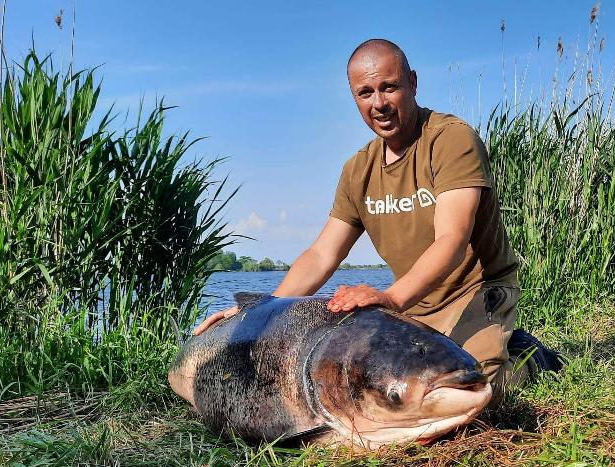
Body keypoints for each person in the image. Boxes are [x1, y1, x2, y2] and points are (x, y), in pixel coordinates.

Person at [193, 38, 530, 401]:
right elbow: (322, 255)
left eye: (390, 87)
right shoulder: (358, 169)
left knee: (472, 391)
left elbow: (452, 238)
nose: (379, 103)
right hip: (415, 302)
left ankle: (528, 359)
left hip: (475, 291)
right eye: (365, 93)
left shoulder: (450, 139)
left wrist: (390, 298)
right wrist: (259, 312)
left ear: (413, 83)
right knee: (370, 388)